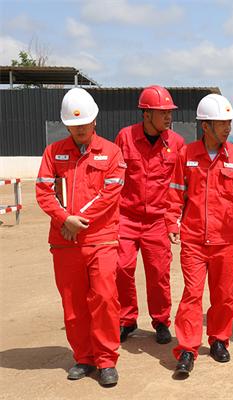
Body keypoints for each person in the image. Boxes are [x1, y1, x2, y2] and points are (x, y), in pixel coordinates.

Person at [36, 88, 126, 387]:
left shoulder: (111, 152)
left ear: (95, 120)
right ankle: (84, 358)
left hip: (101, 239)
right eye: (74, 125)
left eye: (84, 123)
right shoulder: (53, 152)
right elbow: (44, 191)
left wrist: (77, 222)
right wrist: (65, 219)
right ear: (66, 125)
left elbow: (110, 194)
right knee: (73, 304)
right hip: (65, 242)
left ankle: (106, 360)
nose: (80, 129)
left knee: (105, 299)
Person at [166, 94, 233, 376]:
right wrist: (172, 224)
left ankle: (219, 340)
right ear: (205, 126)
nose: (228, 127)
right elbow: (175, 193)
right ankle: (187, 349)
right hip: (194, 240)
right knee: (192, 295)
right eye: (222, 123)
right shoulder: (187, 155)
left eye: (229, 122)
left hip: (225, 241)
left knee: (223, 296)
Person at [115, 85, 184, 344]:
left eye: (169, 112)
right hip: (126, 216)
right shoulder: (125, 137)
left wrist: (173, 220)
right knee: (121, 267)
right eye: (162, 112)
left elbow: (179, 186)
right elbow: (114, 177)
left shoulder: (176, 143)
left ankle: (161, 321)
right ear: (146, 114)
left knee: (158, 272)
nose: (168, 117)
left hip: (158, 219)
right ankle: (126, 320)